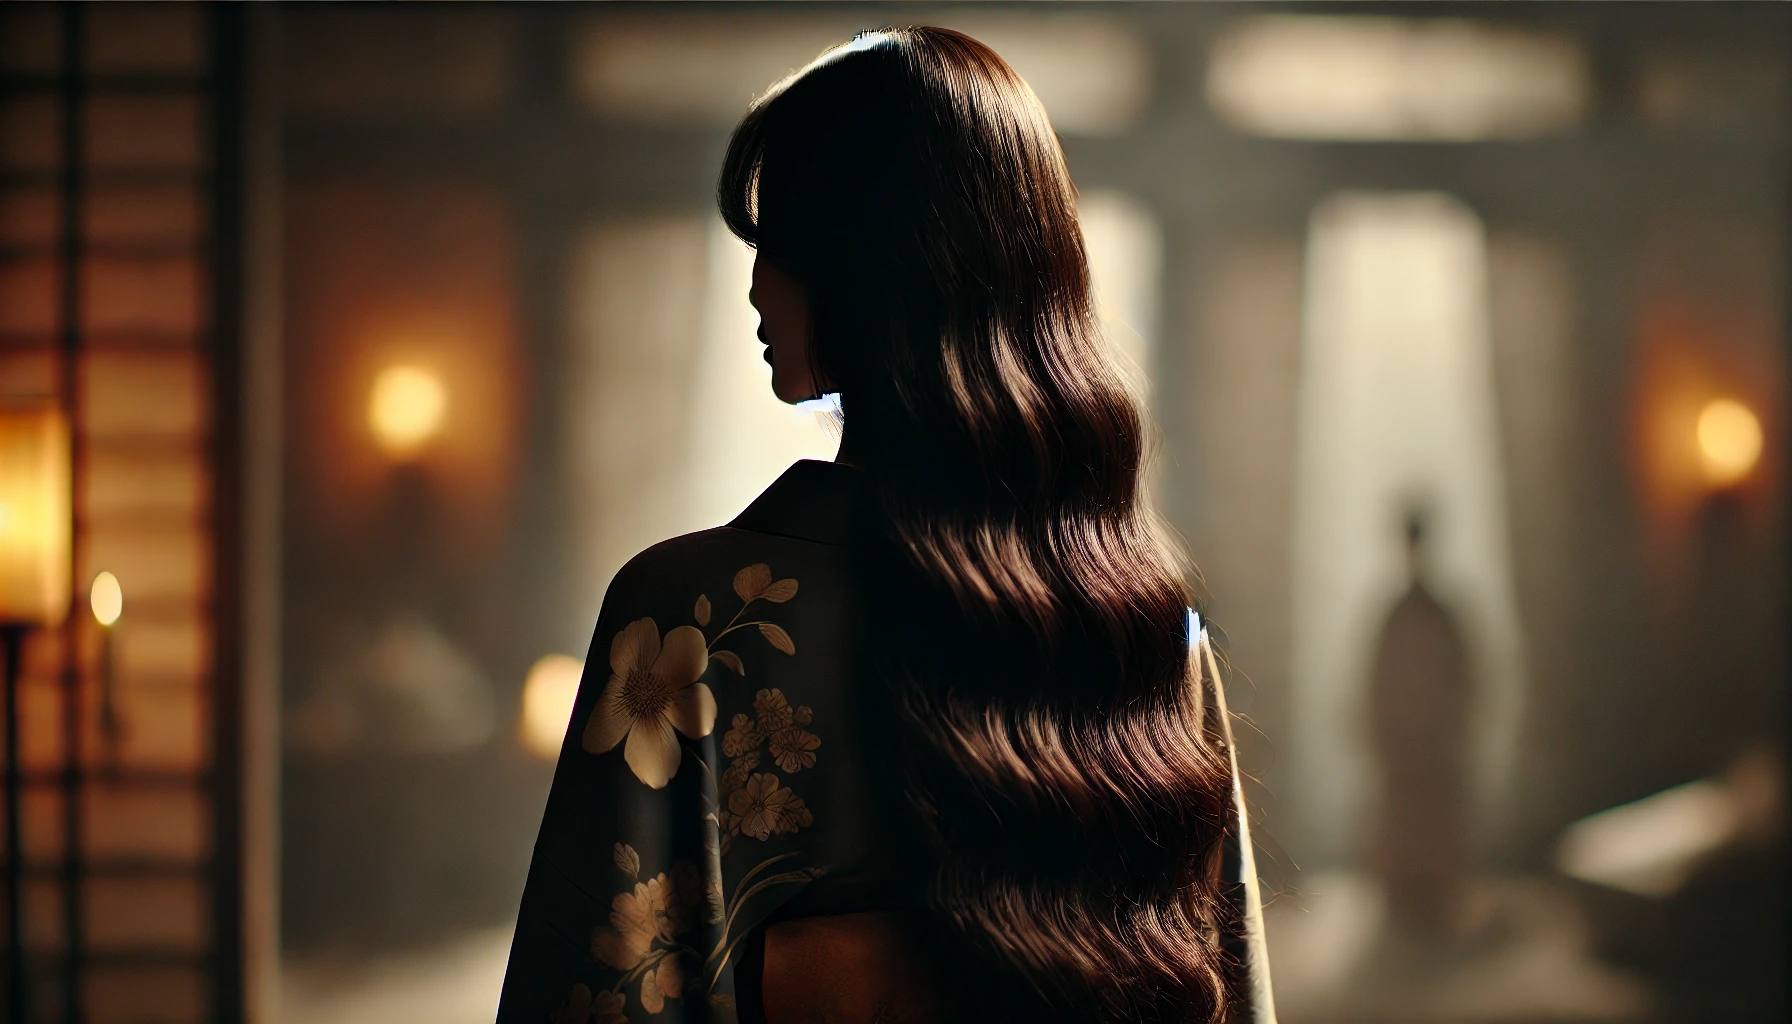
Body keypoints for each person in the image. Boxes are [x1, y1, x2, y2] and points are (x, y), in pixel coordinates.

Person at [496, 28, 1273, 1024]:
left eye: (781, 246)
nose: (754, 286)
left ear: (870, 270)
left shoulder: (684, 623)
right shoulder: (1143, 631)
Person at [1366, 508, 1472, 943]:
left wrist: (1448, 724)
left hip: (1434, 740)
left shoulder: (1440, 616)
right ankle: (1406, 901)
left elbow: (1463, 677)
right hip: (1402, 743)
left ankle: (1435, 900)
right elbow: (1378, 680)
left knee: (1434, 821)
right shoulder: (1396, 617)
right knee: (1404, 821)